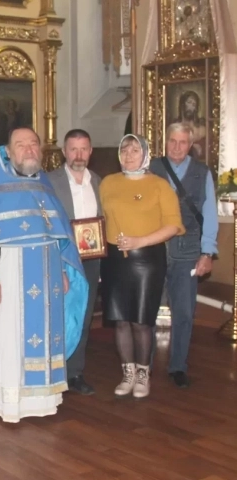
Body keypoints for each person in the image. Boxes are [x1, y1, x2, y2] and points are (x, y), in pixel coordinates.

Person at [0, 128, 88, 422]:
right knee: (9, 338)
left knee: (45, 337)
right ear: (8, 152)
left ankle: (42, 400)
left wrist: (63, 271)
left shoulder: (44, 188)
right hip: (8, 279)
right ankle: (10, 402)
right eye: (21, 145)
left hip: (47, 278)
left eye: (33, 144)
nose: (29, 150)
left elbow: (58, 236)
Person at [100, 134, 184, 399]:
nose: (128, 155)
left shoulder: (160, 186)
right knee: (121, 321)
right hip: (114, 260)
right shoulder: (108, 183)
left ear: (145, 154)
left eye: (135, 150)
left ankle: (143, 373)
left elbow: (173, 225)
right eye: (124, 150)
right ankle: (127, 373)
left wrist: (140, 240)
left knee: (141, 321)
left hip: (147, 260)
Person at [150, 123, 218, 388]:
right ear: (165, 142)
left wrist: (207, 252)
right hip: (154, 248)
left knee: (185, 312)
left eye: (182, 142)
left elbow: (210, 214)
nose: (177, 147)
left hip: (188, 250)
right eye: (172, 141)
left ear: (190, 145)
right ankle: (146, 363)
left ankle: (178, 366)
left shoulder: (202, 173)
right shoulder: (152, 168)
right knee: (148, 309)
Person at [46, 129, 102, 395]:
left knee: (83, 316)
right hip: (60, 257)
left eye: (83, 149)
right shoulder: (49, 182)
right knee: (55, 315)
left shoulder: (100, 183)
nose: (78, 155)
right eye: (73, 149)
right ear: (64, 152)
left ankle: (75, 372)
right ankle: (53, 372)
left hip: (91, 261)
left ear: (90, 151)